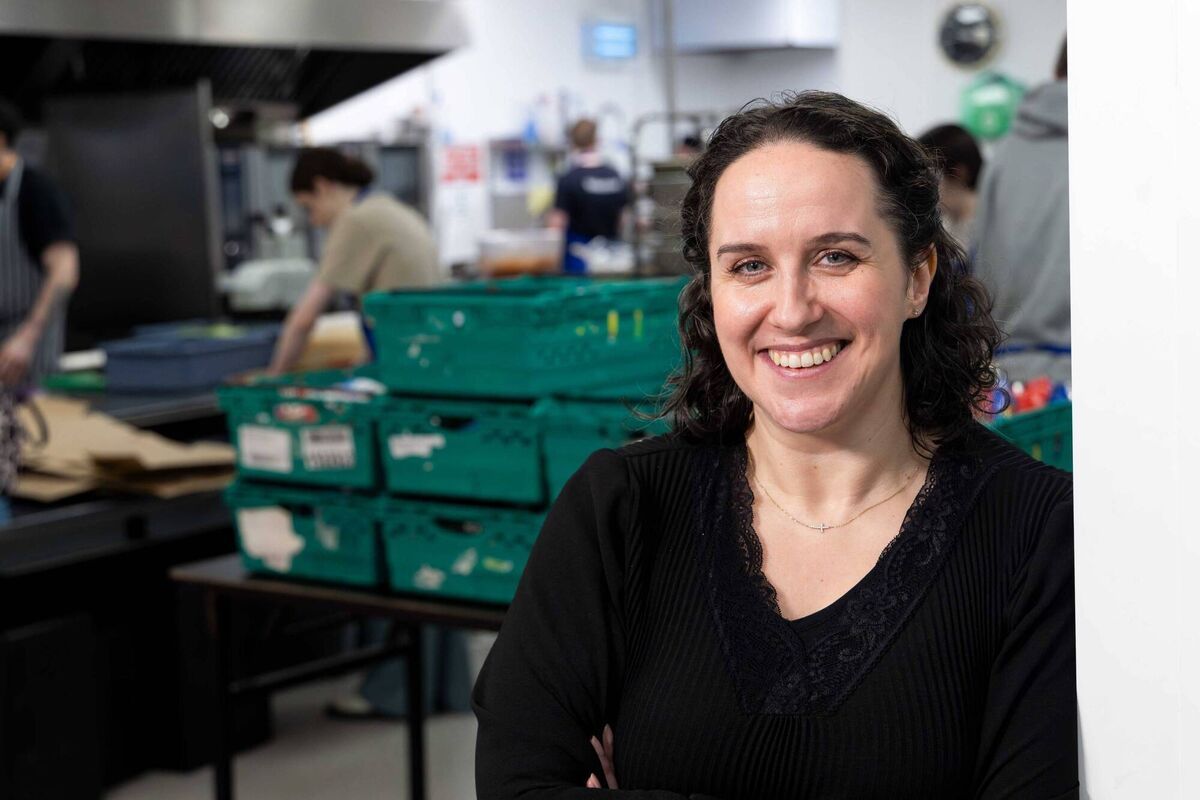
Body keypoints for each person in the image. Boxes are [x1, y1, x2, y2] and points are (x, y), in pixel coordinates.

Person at [474, 91, 1076, 798]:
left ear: (917, 278)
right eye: (749, 266)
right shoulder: (621, 511)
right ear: (712, 290)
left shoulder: (1035, 531)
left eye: (835, 256)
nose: (791, 311)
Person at [267, 147, 438, 375]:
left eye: (309, 207)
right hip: (426, 352)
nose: (314, 221)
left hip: (404, 360)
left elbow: (304, 320)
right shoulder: (389, 207)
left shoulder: (355, 220)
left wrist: (273, 378)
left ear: (322, 187)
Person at [972, 38, 1070, 385]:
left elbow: (977, 268)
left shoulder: (1006, 156)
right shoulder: (1126, 150)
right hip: (1093, 372)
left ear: (1056, 70)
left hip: (1006, 379)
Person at [0, 98, 80, 523]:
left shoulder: (35, 192)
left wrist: (27, 337)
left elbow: (65, 271)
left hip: (29, 356)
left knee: (31, 463)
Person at [549, 119, 631, 274]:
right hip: (611, 260)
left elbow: (557, 224)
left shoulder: (569, 178)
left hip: (579, 262)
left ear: (573, 143)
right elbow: (623, 219)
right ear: (596, 140)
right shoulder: (614, 175)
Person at [917, 123, 983, 246]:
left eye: (929, 176)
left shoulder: (990, 229)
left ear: (960, 173)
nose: (921, 187)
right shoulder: (946, 226)